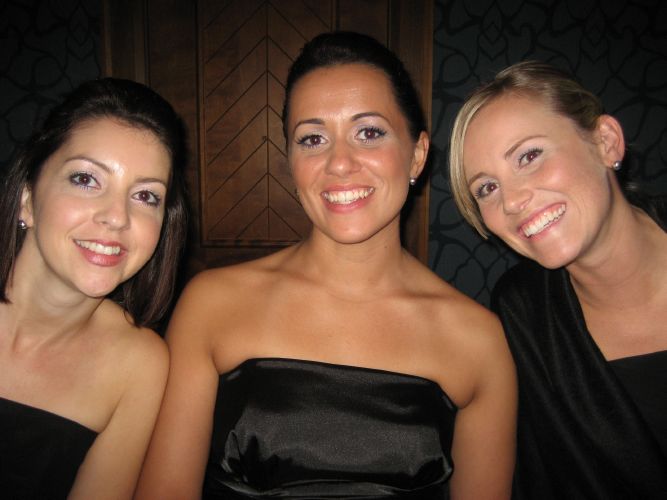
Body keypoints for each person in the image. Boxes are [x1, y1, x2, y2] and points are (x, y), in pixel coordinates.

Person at [137, 31, 516, 500]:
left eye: (369, 132)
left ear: (417, 155)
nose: (339, 163)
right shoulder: (211, 304)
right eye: (313, 139)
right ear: (291, 162)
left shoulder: (479, 341)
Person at [449, 60, 667, 499]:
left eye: (529, 156)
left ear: (605, 142)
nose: (512, 201)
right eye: (487, 188)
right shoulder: (522, 311)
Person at [0, 78, 188, 499]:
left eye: (146, 196)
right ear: (28, 197)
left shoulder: (139, 364)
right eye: (86, 179)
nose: (117, 217)